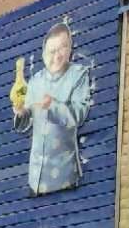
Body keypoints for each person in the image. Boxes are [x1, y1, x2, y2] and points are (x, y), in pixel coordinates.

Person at [12, 22, 91, 195]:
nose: (57, 56)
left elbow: (78, 115)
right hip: (36, 176)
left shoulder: (78, 75)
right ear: (43, 54)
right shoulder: (35, 81)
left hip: (64, 174)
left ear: (70, 49)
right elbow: (27, 123)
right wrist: (21, 113)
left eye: (62, 48)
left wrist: (53, 105)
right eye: (52, 51)